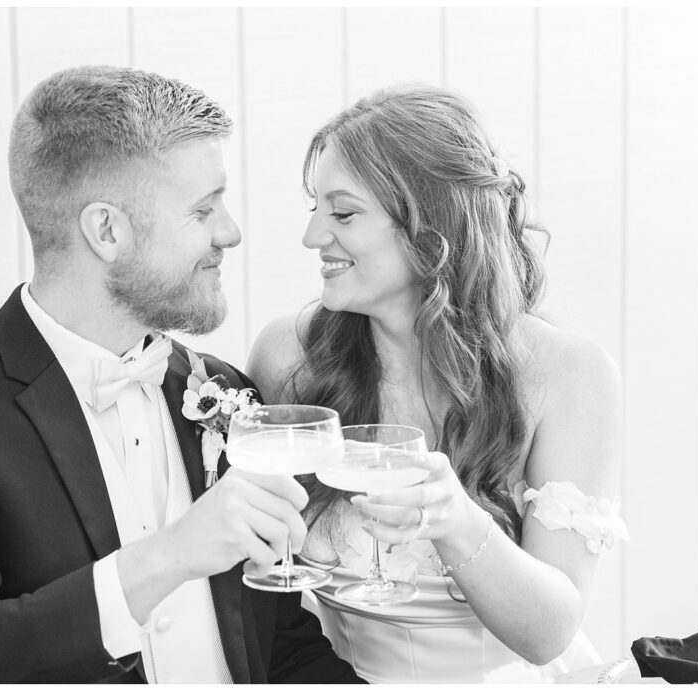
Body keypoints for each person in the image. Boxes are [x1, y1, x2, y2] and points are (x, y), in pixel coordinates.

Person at [0, 65, 362, 684]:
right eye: (203, 209)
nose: (230, 232)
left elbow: (280, 647)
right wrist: (170, 557)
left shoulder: (223, 392)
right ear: (107, 230)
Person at [248, 84, 628, 683]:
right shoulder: (288, 357)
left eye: (343, 213)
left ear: (432, 227)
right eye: (315, 210)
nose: (313, 237)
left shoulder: (569, 375)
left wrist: (455, 520)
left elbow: (549, 632)